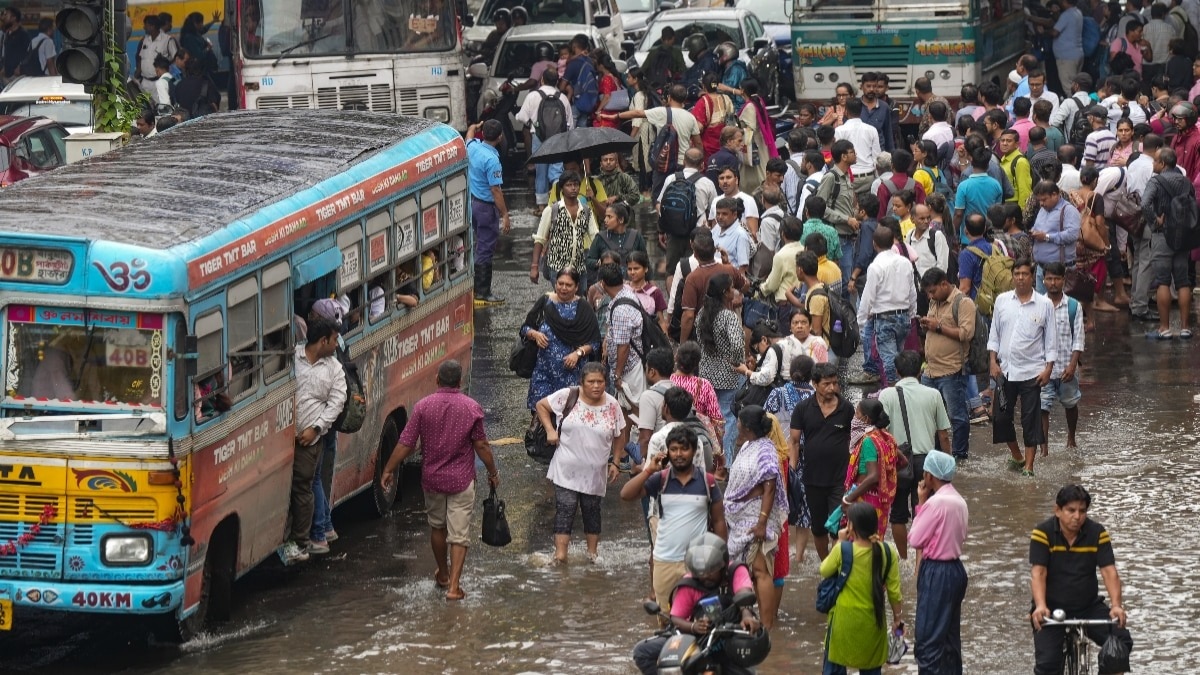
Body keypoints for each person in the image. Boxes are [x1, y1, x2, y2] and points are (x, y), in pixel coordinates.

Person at [377, 360, 497, 600]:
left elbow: (406, 443)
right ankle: (454, 587)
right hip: (462, 480)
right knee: (459, 534)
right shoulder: (472, 407)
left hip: (432, 480)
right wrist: (493, 472)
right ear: (460, 381)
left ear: (437, 380)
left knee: (437, 527)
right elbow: (481, 445)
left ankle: (443, 573)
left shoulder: (423, 407)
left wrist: (388, 468)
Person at [622, 423, 727, 614]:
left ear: (694, 451)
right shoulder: (660, 480)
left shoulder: (707, 482)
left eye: (684, 448)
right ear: (667, 452)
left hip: (699, 561)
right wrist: (648, 470)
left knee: (702, 619)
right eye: (674, 449)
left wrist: (721, 560)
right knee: (665, 620)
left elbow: (719, 521)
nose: (679, 454)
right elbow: (626, 495)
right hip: (665, 561)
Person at [1030, 484, 1133, 675]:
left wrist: (1116, 605)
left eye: (1082, 511)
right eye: (1071, 510)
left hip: (1089, 606)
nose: (1077, 517)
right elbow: (1039, 573)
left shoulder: (1097, 533)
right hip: (1051, 608)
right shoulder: (1042, 533)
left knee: (1120, 646)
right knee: (1047, 666)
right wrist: (1040, 605)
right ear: (1058, 510)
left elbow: (1109, 572)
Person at [631, 533, 762, 675]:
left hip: (730, 636)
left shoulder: (735, 571)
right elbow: (676, 617)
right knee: (642, 652)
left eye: (710, 572)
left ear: (722, 566)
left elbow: (744, 594)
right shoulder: (689, 583)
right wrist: (694, 626)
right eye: (700, 573)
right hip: (697, 638)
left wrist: (747, 615)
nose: (705, 576)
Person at [536, 363, 626, 564]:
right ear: (582, 383)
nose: (596, 386)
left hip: (595, 471)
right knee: (565, 508)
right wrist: (550, 430)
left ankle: (592, 554)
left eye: (600, 382)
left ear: (606, 383)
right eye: (591, 382)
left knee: (591, 509)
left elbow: (620, 434)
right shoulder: (568, 396)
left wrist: (617, 462)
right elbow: (541, 405)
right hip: (566, 467)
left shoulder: (612, 405)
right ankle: (560, 554)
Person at [278, 317, 346, 565]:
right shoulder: (293, 357)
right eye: (335, 338)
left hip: (309, 438)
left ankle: (301, 541)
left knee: (303, 485)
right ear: (322, 340)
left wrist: (316, 429)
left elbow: (337, 402)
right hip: (281, 436)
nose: (337, 343)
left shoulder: (334, 369)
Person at [877, 350, 951, 559]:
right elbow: (943, 435)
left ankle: (904, 559)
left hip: (897, 460)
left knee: (898, 516)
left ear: (897, 371)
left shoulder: (887, 394)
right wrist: (947, 466)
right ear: (921, 370)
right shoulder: (933, 394)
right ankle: (923, 557)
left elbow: (880, 432)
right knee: (926, 511)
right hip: (927, 463)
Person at [989, 259, 1058, 477]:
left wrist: (1049, 368)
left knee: (1030, 420)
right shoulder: (1002, 301)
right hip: (1005, 371)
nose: (1020, 277)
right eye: (1017, 273)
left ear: (1032, 276)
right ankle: (1017, 456)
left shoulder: (1044, 304)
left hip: (1032, 372)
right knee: (1000, 417)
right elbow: (994, 334)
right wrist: (992, 361)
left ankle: (1029, 467)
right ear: (1012, 275)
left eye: (1025, 274)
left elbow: (1051, 340)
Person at [820, 501, 904, 675]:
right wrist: (897, 619)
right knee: (871, 670)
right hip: (873, 625)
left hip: (843, 625)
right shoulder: (888, 551)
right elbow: (894, 592)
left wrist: (839, 541)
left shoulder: (843, 550)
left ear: (852, 526)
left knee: (834, 668)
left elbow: (824, 569)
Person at [724, 406, 788, 629]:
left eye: (740, 421)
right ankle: (748, 620)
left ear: (748, 427)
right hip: (739, 518)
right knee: (744, 571)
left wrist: (761, 523)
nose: (737, 424)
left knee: (760, 570)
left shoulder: (765, 450)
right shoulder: (748, 445)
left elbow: (769, 487)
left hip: (756, 521)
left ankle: (767, 627)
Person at [908, 450, 970, 675]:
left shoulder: (936, 503)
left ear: (930, 475)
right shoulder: (959, 501)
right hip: (956, 569)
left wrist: (921, 502)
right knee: (950, 640)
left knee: (927, 640)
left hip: (937, 572)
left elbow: (915, 539)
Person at [789, 362, 854, 561]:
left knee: (838, 527)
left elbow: (854, 441)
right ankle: (826, 564)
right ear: (814, 384)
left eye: (834, 383)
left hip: (839, 479)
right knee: (818, 528)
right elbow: (794, 442)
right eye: (826, 384)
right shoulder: (802, 409)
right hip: (812, 479)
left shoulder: (847, 409)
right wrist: (791, 474)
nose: (832, 388)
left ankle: (834, 569)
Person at [521, 268, 601, 411]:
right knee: (541, 416)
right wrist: (535, 334)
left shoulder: (584, 308)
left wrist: (578, 353)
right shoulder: (545, 302)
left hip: (572, 376)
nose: (563, 288)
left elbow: (594, 342)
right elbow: (525, 328)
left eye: (568, 285)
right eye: (560, 283)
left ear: (576, 287)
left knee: (569, 417)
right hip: (544, 373)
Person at [603, 84, 701, 198]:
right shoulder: (691, 117)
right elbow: (698, 142)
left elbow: (638, 113)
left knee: (659, 195)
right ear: (684, 99)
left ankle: (661, 213)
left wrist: (617, 116)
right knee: (681, 195)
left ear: (669, 97)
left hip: (663, 163)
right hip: (682, 163)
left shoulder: (661, 112)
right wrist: (700, 160)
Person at [920, 268, 977, 462]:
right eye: (928, 292)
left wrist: (937, 326)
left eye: (932, 291)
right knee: (929, 417)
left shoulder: (963, 303)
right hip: (930, 370)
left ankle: (959, 457)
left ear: (944, 284)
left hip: (952, 371)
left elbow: (965, 334)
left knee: (957, 417)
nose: (930, 296)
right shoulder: (934, 301)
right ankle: (937, 455)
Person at [1140, 145, 1195, 339]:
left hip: (1163, 235)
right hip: (1182, 237)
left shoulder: (1156, 182)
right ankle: (1186, 328)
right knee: (1183, 281)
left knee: (1163, 280)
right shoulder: (1186, 181)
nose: (1153, 163)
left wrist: (1155, 220)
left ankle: (1164, 328)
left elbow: (1144, 203)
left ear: (1162, 163)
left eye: (1155, 160)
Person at [856, 227, 917, 386]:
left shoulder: (876, 266)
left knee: (889, 360)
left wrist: (861, 320)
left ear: (874, 244)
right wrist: (911, 313)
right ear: (892, 242)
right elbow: (912, 291)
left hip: (884, 318)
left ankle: (894, 391)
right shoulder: (905, 262)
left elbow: (868, 296)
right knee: (898, 356)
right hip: (903, 316)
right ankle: (901, 389)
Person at [1038, 263, 1085, 455]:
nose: (1053, 283)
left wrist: (1073, 365)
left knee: (1071, 404)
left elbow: (1079, 339)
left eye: (1057, 278)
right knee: (1042, 408)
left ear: (1063, 280)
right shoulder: (1038, 305)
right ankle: (1044, 448)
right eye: (1049, 279)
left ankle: (1071, 438)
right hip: (1043, 369)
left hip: (1067, 367)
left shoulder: (1074, 306)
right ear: (1044, 280)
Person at [696, 274, 745, 455]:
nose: (734, 291)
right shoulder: (728, 317)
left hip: (706, 373)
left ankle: (710, 455)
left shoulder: (702, 314)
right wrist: (737, 362)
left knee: (708, 417)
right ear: (725, 293)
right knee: (728, 418)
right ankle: (726, 460)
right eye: (732, 288)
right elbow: (738, 345)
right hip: (728, 374)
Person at [841, 398, 900, 541]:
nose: (855, 417)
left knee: (860, 542)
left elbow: (873, 476)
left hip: (866, 497)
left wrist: (849, 498)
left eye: (857, 414)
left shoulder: (869, 440)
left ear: (866, 419)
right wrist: (886, 474)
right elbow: (902, 461)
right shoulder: (886, 437)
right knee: (875, 541)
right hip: (881, 498)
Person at [516, 69, 572, 217]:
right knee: (556, 172)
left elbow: (521, 117)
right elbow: (569, 124)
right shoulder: (563, 98)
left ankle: (541, 207)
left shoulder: (533, 96)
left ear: (542, 80)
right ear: (557, 82)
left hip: (539, 138)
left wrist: (531, 122)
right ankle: (557, 203)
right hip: (559, 138)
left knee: (540, 172)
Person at [657, 148, 718, 282]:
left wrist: (662, 230)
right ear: (702, 165)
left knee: (671, 271)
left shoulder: (671, 179)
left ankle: (673, 302)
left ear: (684, 161)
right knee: (695, 269)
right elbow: (714, 211)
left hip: (673, 232)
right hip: (698, 233)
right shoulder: (707, 183)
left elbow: (660, 205)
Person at [679, 229, 748, 344]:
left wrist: (682, 344)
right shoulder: (729, 269)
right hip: (727, 330)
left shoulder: (692, 278)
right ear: (714, 251)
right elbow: (745, 287)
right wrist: (728, 264)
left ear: (695, 254)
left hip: (704, 335)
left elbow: (688, 315)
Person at [532, 171, 601, 284]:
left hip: (579, 267)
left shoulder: (586, 211)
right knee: (562, 298)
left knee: (579, 299)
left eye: (576, 185)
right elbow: (540, 239)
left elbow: (595, 236)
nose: (573, 188)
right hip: (557, 267)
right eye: (569, 185)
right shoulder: (551, 210)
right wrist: (534, 266)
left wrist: (600, 258)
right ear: (562, 188)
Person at [599, 263, 646, 415]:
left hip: (630, 369)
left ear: (603, 284)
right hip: (629, 366)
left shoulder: (620, 310)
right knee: (624, 413)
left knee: (633, 411)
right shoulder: (626, 292)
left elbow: (624, 346)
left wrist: (617, 375)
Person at [835, 98, 883, 199]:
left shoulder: (839, 131)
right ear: (861, 111)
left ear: (846, 111)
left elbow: (837, 156)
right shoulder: (872, 130)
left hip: (848, 177)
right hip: (868, 178)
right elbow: (877, 157)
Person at [586, 203, 647, 280]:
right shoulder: (600, 237)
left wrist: (650, 283)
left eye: (609, 217)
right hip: (607, 283)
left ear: (621, 220)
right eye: (605, 216)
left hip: (632, 283)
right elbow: (589, 260)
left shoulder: (636, 236)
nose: (605, 220)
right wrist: (599, 263)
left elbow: (645, 261)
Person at [692, 73, 736, 158]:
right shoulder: (726, 99)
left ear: (704, 87)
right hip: (725, 146)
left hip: (708, 147)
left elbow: (698, 127)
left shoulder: (702, 102)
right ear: (717, 86)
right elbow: (732, 124)